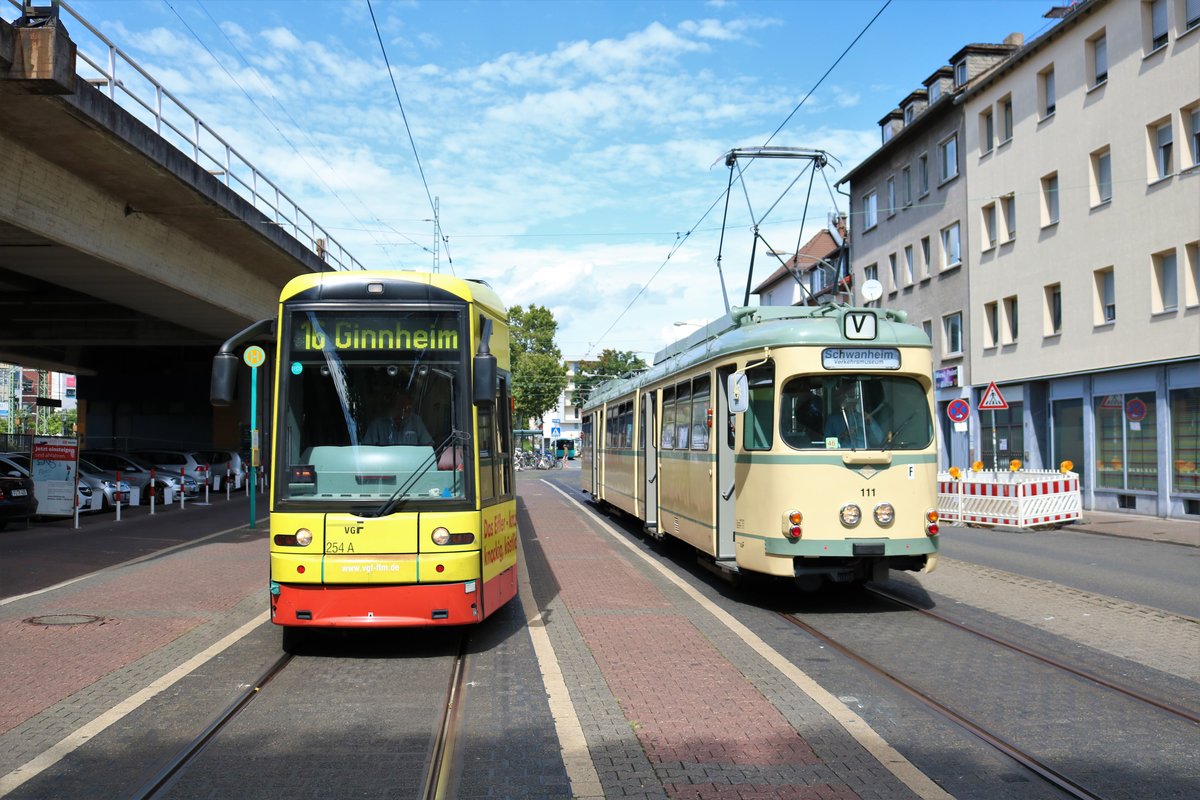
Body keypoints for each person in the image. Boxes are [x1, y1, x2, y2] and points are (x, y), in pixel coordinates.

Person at [362, 390, 433, 446]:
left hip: (414, 464)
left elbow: (428, 446)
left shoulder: (416, 421)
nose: (404, 410)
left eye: (407, 407)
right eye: (400, 405)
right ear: (393, 405)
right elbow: (366, 450)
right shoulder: (377, 424)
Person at [824, 382, 881, 449]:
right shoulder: (833, 420)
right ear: (841, 400)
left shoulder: (863, 418)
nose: (851, 401)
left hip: (865, 455)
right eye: (849, 397)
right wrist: (843, 436)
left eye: (853, 397)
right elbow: (826, 445)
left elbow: (879, 440)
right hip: (841, 455)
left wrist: (871, 422)